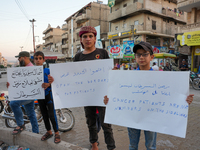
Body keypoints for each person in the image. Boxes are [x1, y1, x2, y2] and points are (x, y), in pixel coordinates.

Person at [103, 41, 194, 150]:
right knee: (132, 145)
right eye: (138, 54)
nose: (141, 57)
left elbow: (170, 96)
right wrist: (109, 100)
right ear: (135, 57)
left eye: (145, 54)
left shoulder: (160, 78)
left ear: (151, 57)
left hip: (151, 118)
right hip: (132, 117)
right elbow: (118, 95)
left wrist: (184, 100)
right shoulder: (127, 77)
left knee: (151, 146)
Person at [48, 26, 115, 150]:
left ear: (95, 38)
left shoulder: (103, 53)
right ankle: (94, 145)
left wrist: (114, 72)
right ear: (81, 39)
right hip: (86, 97)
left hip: (102, 96)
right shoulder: (78, 57)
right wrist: (55, 79)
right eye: (85, 36)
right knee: (91, 122)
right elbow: (71, 76)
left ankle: (111, 147)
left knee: (106, 124)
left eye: (91, 36)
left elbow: (110, 74)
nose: (88, 39)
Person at [7, 51, 39, 135]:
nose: (18, 59)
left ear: (25, 57)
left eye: (19, 57)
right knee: (31, 113)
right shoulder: (23, 68)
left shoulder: (31, 69)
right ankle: (36, 132)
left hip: (29, 94)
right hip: (26, 94)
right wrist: (10, 85)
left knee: (13, 103)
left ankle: (21, 124)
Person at [33, 51, 61, 144]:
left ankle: (56, 133)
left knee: (52, 115)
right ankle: (49, 131)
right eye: (36, 58)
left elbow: (56, 82)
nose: (38, 60)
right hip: (39, 97)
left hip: (49, 96)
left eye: (40, 58)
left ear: (43, 60)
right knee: (44, 115)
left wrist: (49, 84)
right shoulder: (31, 73)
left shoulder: (48, 71)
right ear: (34, 60)